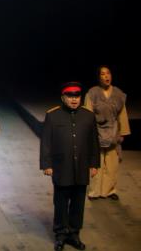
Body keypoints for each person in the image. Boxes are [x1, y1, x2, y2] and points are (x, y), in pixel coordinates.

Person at [40, 82, 99, 251]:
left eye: (77, 96)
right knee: (60, 202)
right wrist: (47, 164)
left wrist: (94, 164)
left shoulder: (88, 116)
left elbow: (93, 142)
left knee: (78, 202)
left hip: (81, 166)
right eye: (70, 96)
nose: (74, 99)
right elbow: (46, 142)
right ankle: (60, 234)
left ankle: (74, 233)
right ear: (63, 97)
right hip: (61, 166)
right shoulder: (53, 115)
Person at [84, 66, 131, 200]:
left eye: (108, 73)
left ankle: (109, 191)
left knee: (112, 164)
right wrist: (88, 133)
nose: (106, 76)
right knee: (96, 162)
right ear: (98, 77)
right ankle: (94, 191)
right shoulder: (92, 93)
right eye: (103, 74)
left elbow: (122, 114)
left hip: (113, 131)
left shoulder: (118, 94)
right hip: (97, 132)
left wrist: (123, 132)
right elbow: (88, 114)